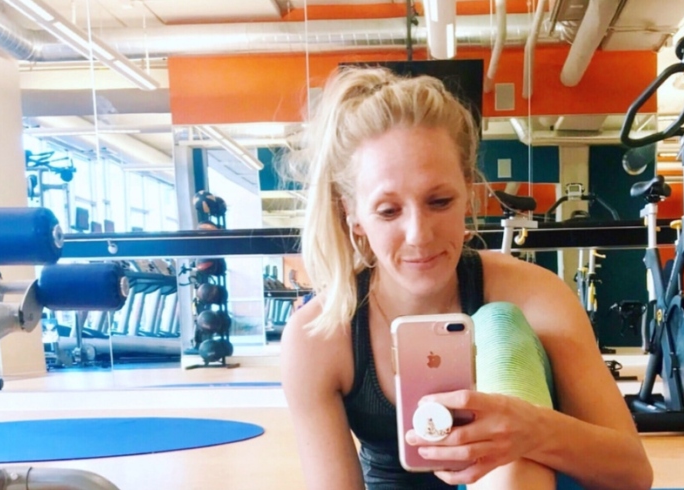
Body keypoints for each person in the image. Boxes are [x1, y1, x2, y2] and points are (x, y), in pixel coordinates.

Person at [280, 65, 653, 490]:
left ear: (469, 195)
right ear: (353, 213)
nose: (420, 234)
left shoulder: (534, 296)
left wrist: (531, 429)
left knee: (501, 330)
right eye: (388, 211)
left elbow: (633, 473)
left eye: (439, 201)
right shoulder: (317, 337)